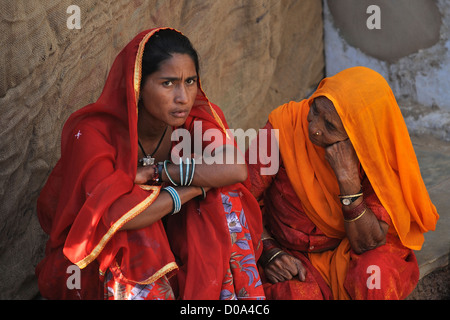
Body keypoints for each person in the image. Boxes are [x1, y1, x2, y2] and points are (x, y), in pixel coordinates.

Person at [36, 28, 265, 300]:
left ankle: (233, 300)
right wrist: (192, 187)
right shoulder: (94, 134)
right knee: (136, 227)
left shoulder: (192, 121)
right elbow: (117, 218)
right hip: (96, 260)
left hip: (172, 240)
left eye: (190, 81)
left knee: (222, 193)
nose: (183, 97)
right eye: (168, 83)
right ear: (138, 86)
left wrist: (162, 173)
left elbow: (235, 168)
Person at [246, 66, 439, 300]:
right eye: (314, 109)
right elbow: (237, 198)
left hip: (350, 248)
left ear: (359, 136)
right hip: (286, 250)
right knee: (294, 294)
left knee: (375, 277)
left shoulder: (376, 157)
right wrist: (269, 251)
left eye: (329, 126)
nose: (313, 128)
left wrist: (347, 179)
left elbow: (367, 243)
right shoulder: (283, 127)